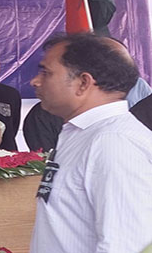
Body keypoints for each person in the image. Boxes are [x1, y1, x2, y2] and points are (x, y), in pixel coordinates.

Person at [29, 33, 152, 252]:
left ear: (83, 82)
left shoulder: (114, 142)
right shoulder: (81, 133)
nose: (35, 81)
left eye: (46, 73)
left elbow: (127, 245)